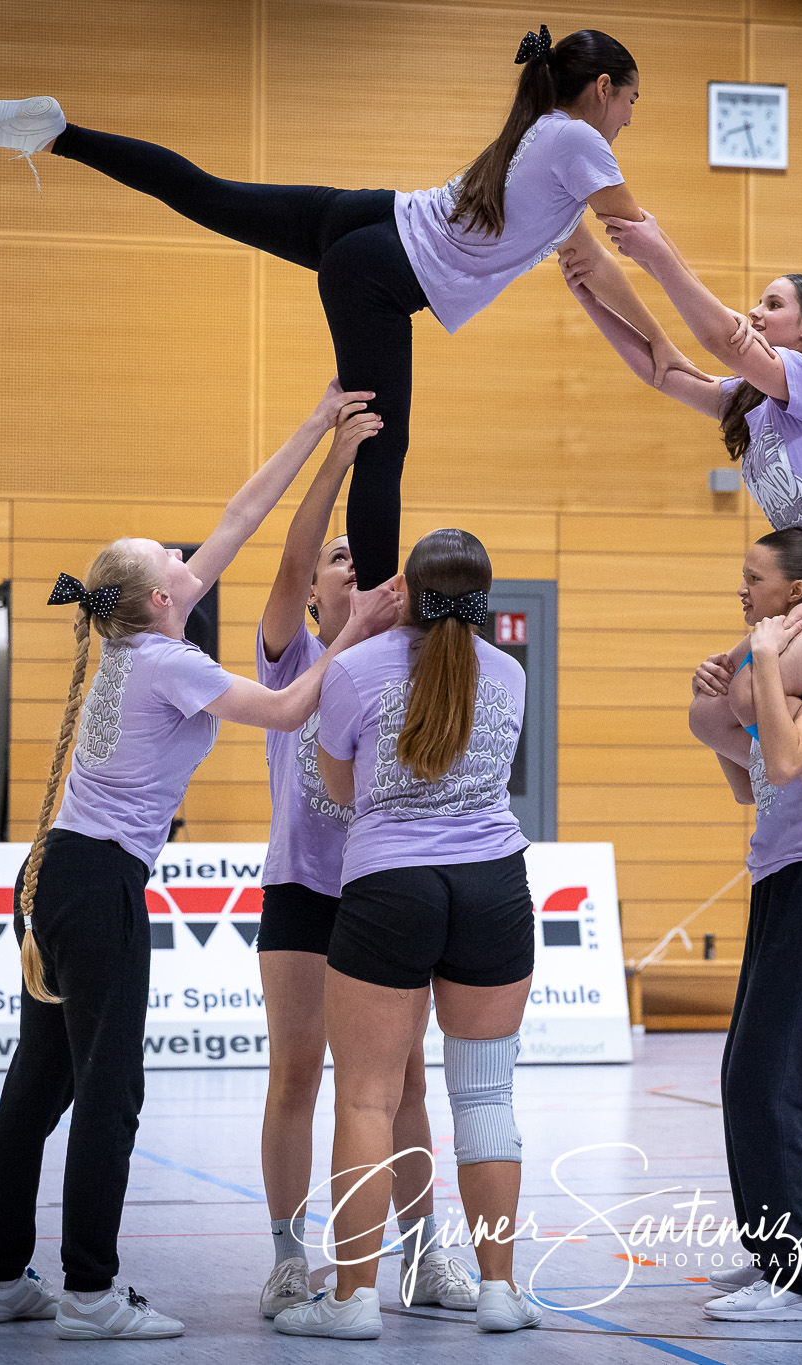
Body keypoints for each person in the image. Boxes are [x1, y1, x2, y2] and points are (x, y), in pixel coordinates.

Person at [0, 25, 702, 585]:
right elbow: (636, 237)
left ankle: (61, 134)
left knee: (211, 196)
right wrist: (692, 329)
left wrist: (660, 343)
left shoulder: (541, 137)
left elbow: (595, 264)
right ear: (604, 88)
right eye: (632, 100)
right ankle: (373, 610)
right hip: (380, 275)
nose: (630, 117)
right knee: (379, 444)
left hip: (366, 216)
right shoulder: (580, 143)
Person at [0, 381, 398, 1342]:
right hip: (99, 882)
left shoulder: (135, 637)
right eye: (171, 556)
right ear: (163, 596)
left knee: (40, 1081)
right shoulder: (170, 661)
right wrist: (354, 631)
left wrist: (318, 424)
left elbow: (240, 516)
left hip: (63, 877)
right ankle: (89, 1292)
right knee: (109, 1089)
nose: (185, 554)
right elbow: (285, 710)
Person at [561, 249, 802, 915]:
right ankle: (794, 779)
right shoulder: (751, 404)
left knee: (749, 690)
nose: (756, 312)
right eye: (759, 302)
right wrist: (591, 295)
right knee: (710, 707)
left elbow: (722, 338)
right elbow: (662, 368)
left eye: (774, 304)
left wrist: (655, 249)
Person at [273, 529, 535, 1340]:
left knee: (367, 1096)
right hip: (494, 887)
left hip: (390, 887)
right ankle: (499, 1288)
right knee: (485, 1095)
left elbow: (339, 784)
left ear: (407, 593)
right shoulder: (510, 673)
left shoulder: (353, 670)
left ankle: (352, 1299)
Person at [253, 404, 477, 1317]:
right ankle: (286, 1256)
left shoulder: (409, 665)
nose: (351, 565)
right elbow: (288, 562)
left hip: (384, 891)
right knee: (298, 1074)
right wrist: (337, 460)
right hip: (305, 891)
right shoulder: (293, 657)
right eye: (337, 559)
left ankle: (424, 1256)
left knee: (402, 1081)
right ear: (315, 589)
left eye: (361, 556)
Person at [688, 529, 802, 1323]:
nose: (742, 590)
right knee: (744, 1076)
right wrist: (717, 702)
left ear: (796, 594)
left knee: (774, 1081)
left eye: (754, 578)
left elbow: (791, 756)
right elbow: (749, 782)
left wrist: (761, 666)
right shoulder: (772, 674)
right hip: (779, 877)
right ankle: (773, 1249)